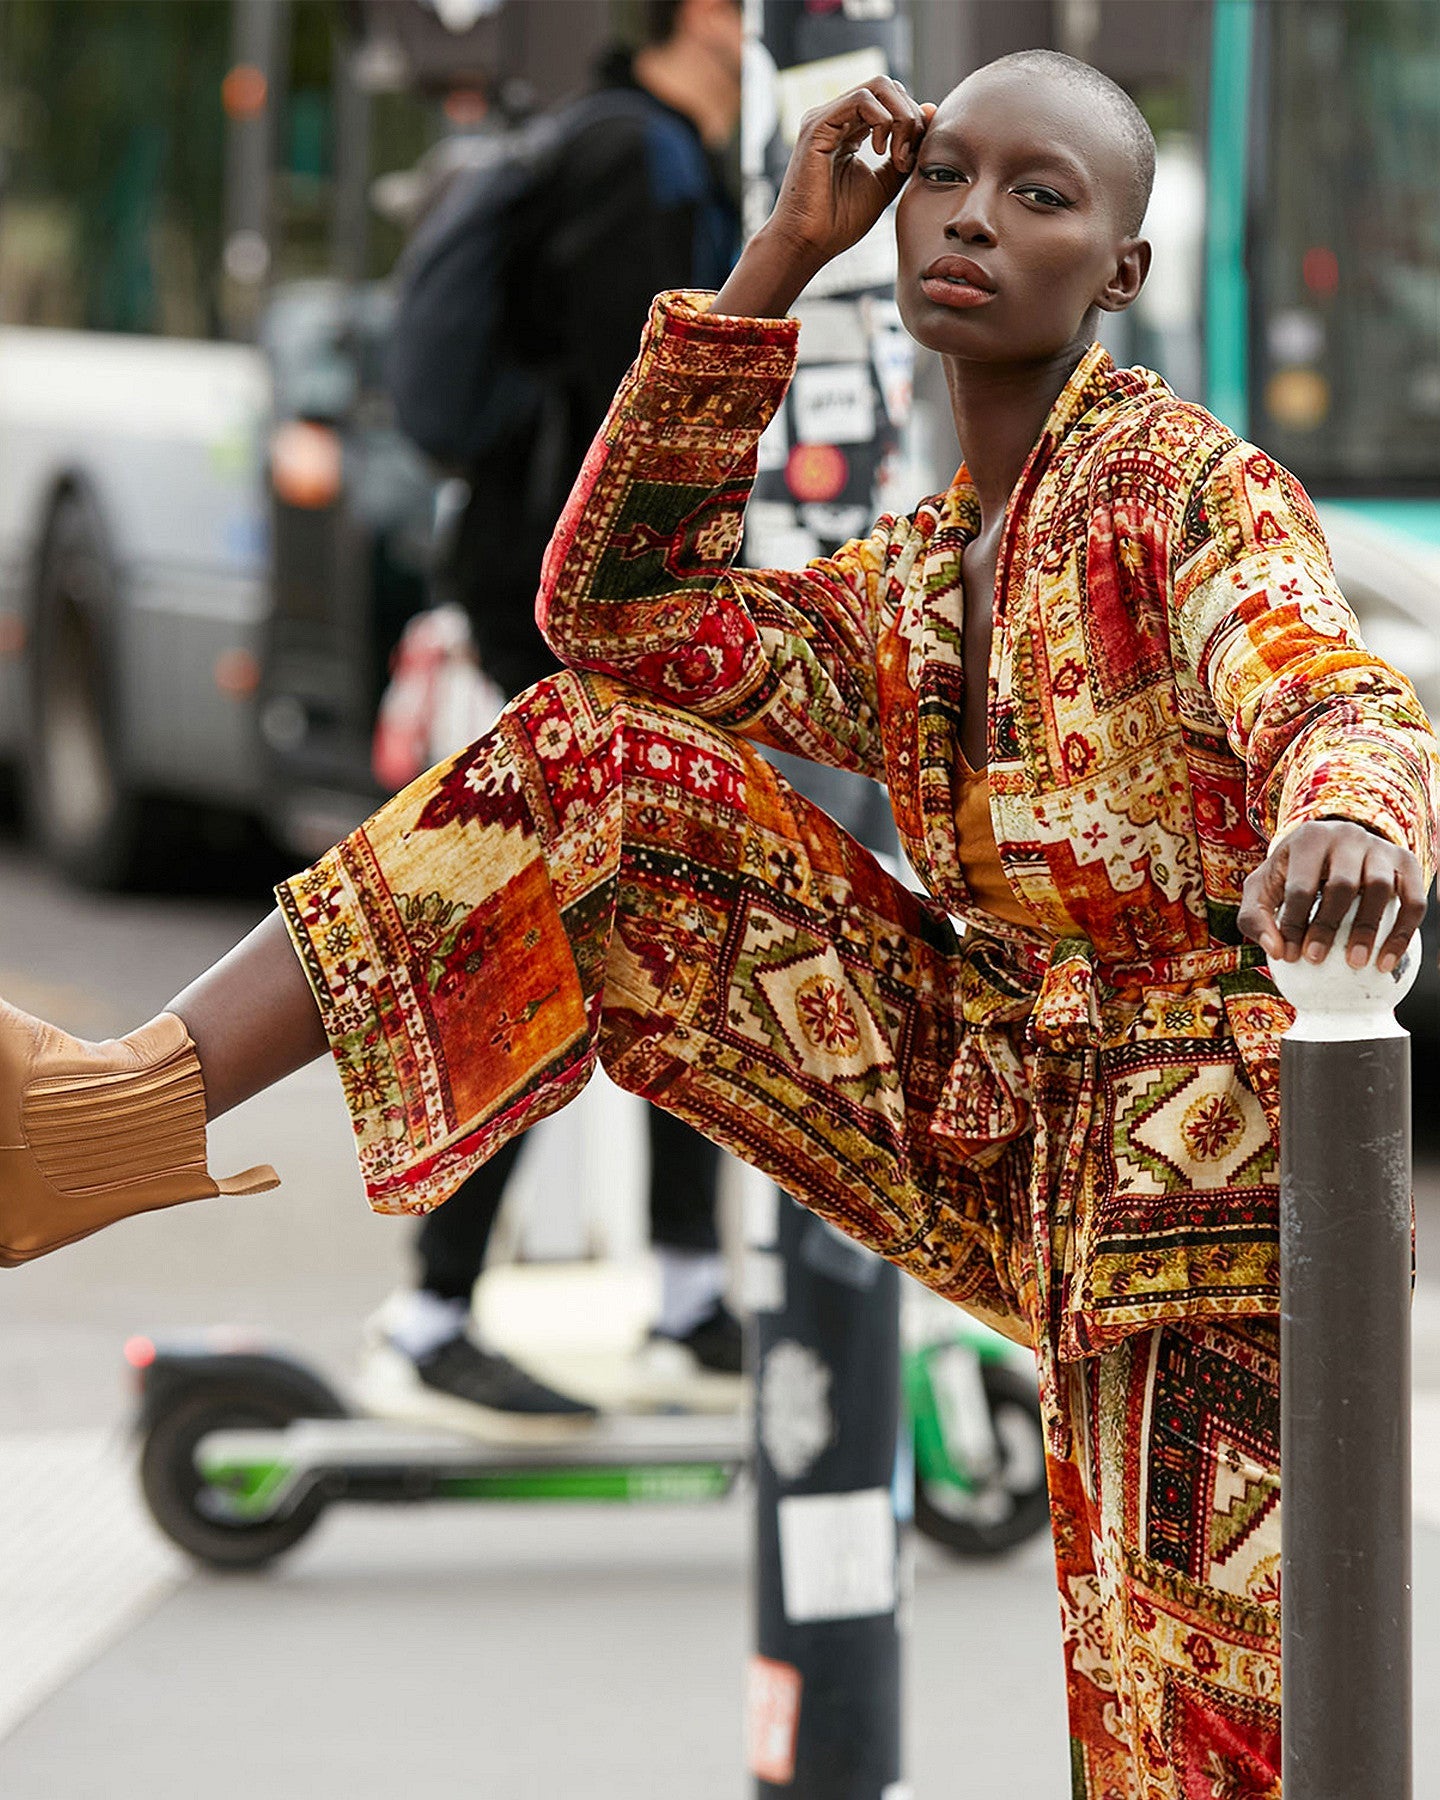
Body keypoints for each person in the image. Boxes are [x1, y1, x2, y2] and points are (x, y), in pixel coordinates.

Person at [3, 51, 1435, 1795]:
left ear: (1122, 275)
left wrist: (1350, 817)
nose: (971, 218)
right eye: (945, 180)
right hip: (994, 1104)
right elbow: (612, 615)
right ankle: (121, 1111)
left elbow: (1330, 686)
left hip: (1206, 1173)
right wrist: (776, 261)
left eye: (1040, 197)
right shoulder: (913, 577)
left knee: (1184, 1739)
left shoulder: (1181, 488)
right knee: (587, 766)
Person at [366, 0, 748, 1440]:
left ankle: (687, 1293)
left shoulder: (674, 154)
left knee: (659, 937)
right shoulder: (627, 164)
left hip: (602, 623)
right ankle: (434, 1315)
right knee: (534, 952)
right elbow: (627, 417)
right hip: (563, 625)